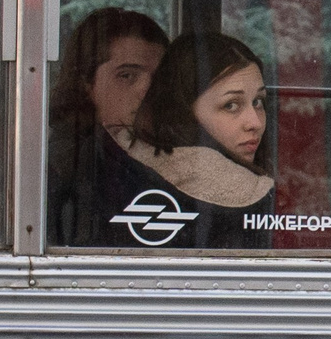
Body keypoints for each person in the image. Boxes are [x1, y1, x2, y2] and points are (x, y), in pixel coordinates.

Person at [88, 30, 276, 250]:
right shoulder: (251, 195)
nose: (254, 122)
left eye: (258, 101)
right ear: (182, 112)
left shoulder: (113, 162)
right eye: (231, 105)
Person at [47, 6, 168, 246]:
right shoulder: (61, 167)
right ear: (86, 84)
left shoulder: (189, 158)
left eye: (162, 78)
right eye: (127, 75)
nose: (148, 91)